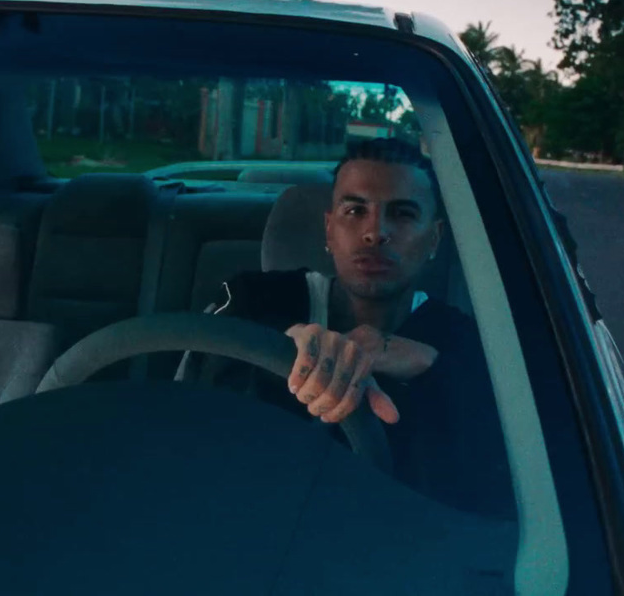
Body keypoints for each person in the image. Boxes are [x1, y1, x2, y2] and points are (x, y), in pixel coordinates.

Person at [185, 138, 514, 519]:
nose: (375, 233)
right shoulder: (253, 299)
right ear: (328, 230)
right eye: (355, 210)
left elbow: (502, 476)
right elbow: (192, 416)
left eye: (403, 214)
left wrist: (431, 366)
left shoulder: (465, 342)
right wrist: (274, 350)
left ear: (434, 239)